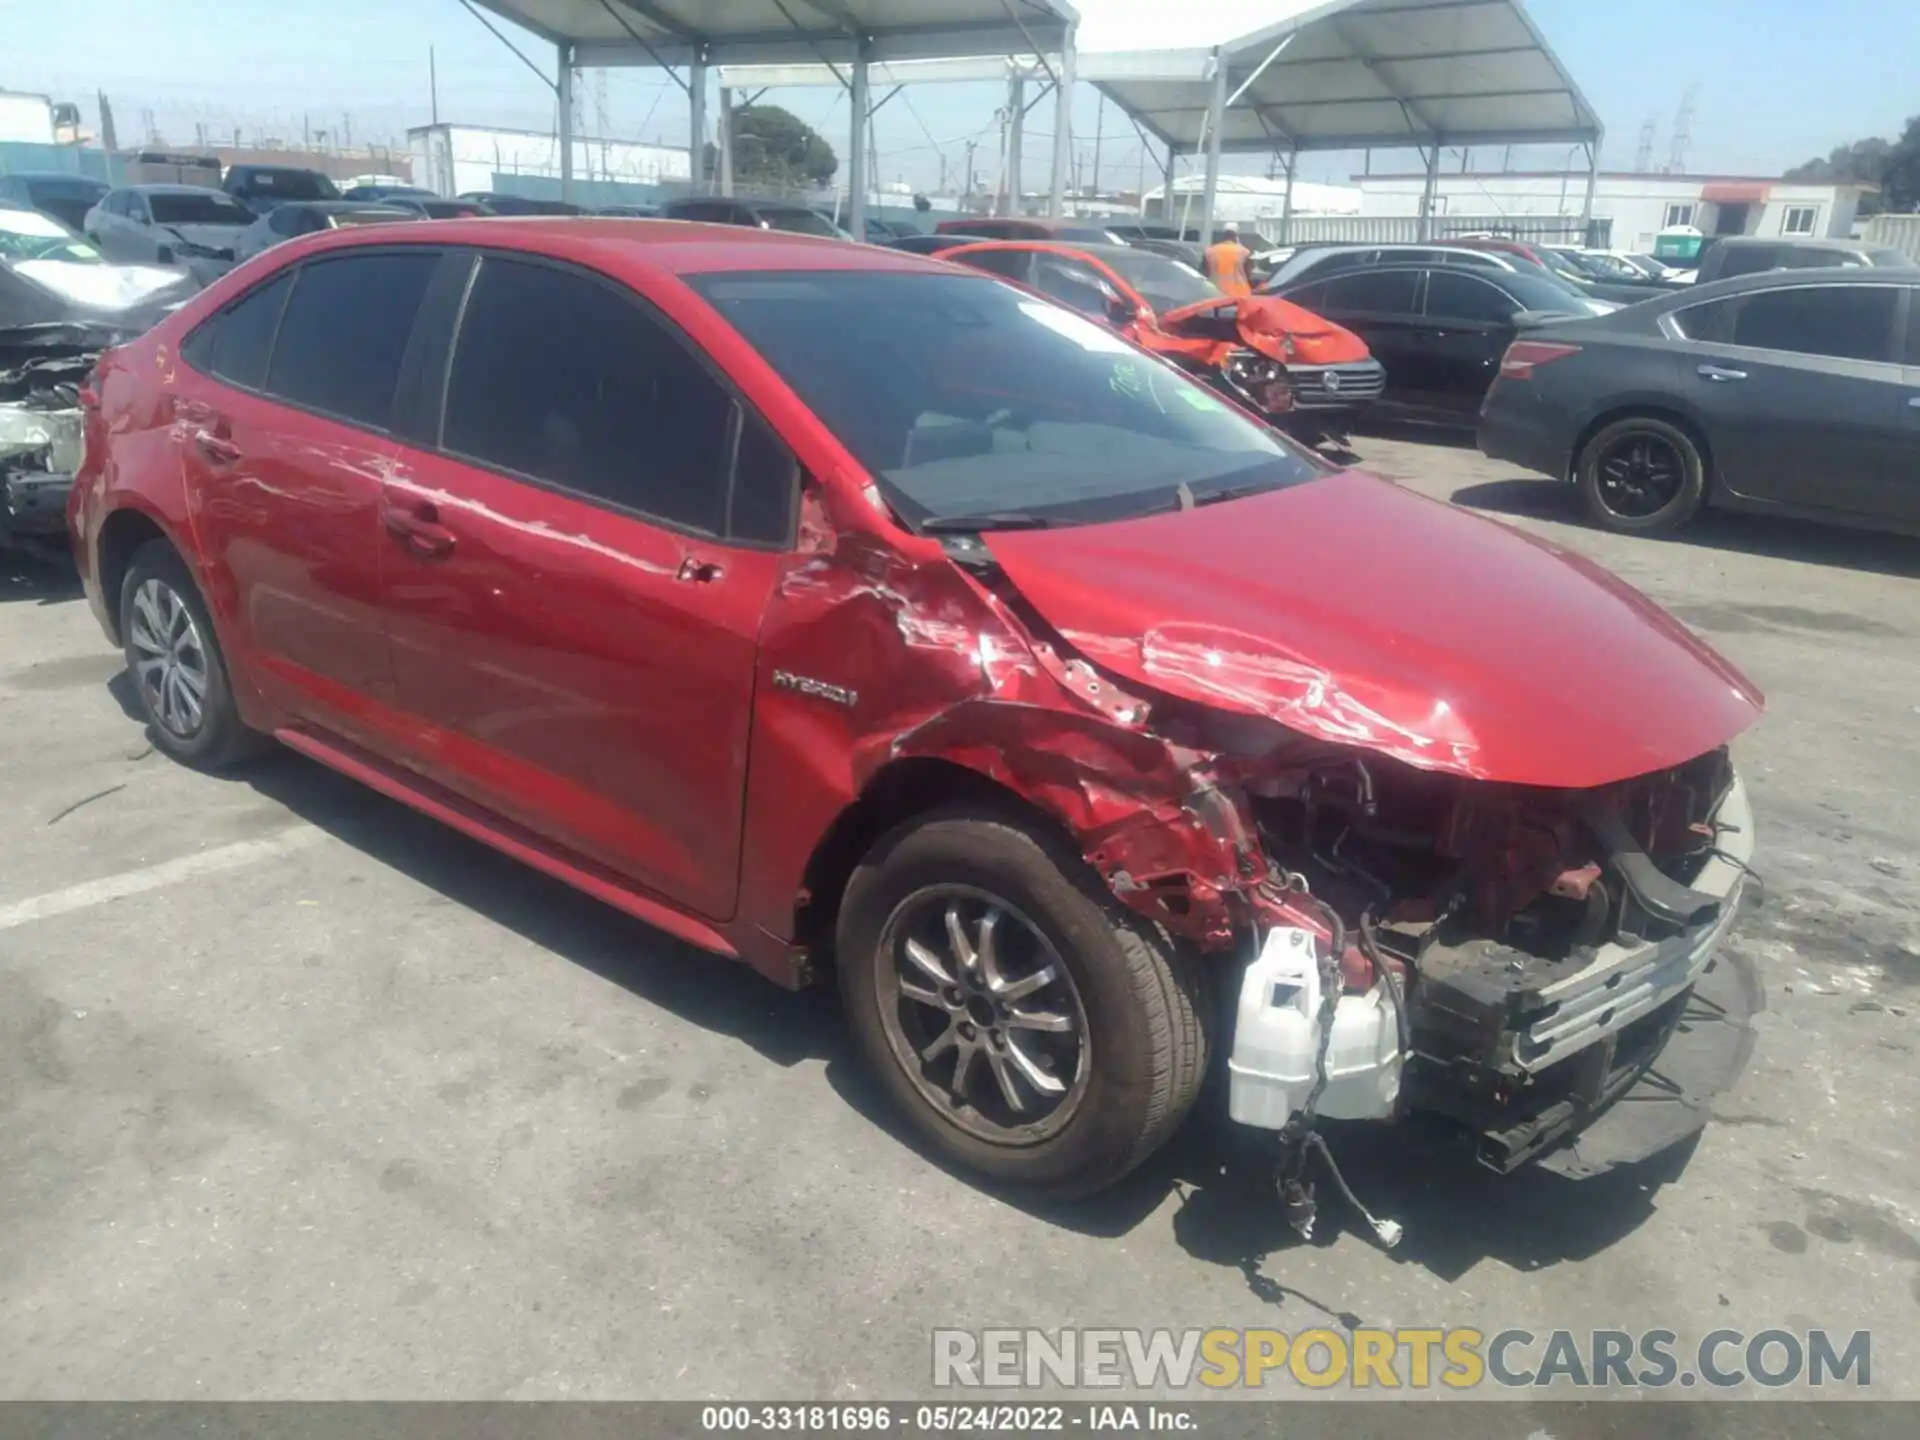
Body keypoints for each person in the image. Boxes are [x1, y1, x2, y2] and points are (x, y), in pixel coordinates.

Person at [1203, 222, 1252, 297]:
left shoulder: (1210, 251)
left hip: (1215, 293)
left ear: (1224, 235)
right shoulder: (1244, 252)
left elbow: (1204, 273)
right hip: (1240, 295)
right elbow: (1248, 274)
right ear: (1236, 235)